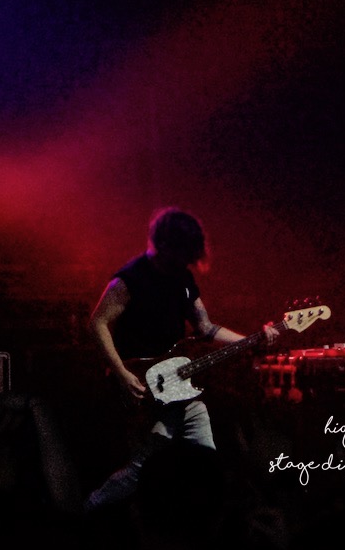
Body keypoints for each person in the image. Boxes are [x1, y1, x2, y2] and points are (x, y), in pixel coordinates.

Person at [84, 206, 277, 514]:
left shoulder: (183, 278)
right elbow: (98, 323)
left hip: (179, 389)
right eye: (182, 253)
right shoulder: (130, 278)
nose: (186, 261)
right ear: (164, 245)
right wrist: (121, 373)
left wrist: (253, 340)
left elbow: (206, 328)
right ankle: (91, 508)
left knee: (203, 460)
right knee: (144, 468)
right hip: (142, 388)